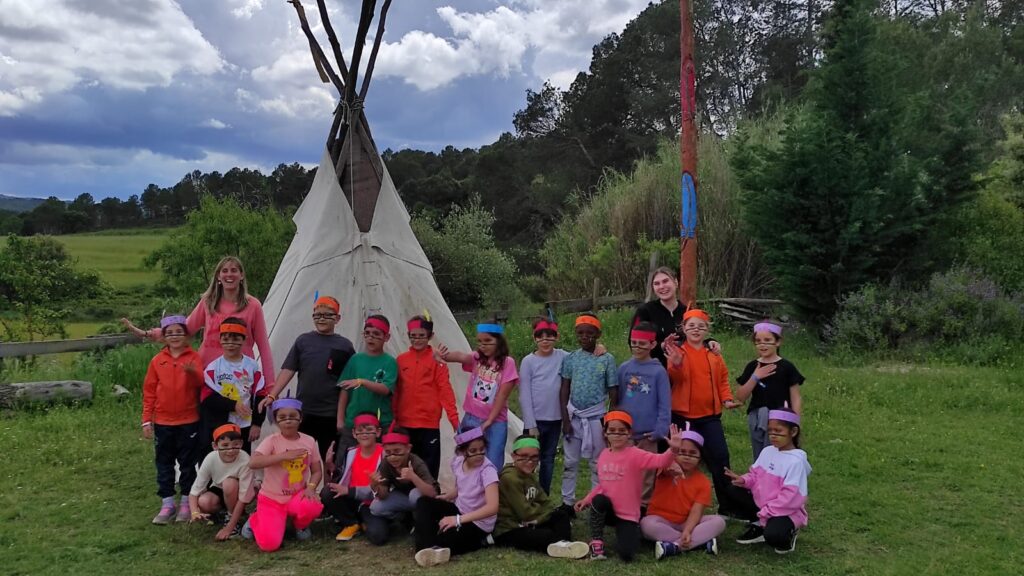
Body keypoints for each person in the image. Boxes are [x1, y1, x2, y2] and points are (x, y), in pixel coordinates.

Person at [122, 255, 275, 392]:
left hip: (240, 376)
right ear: (218, 276)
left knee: (239, 414)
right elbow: (185, 329)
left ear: (241, 275)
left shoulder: (253, 306)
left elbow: (264, 347)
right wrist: (149, 333)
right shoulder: (208, 302)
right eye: (225, 271)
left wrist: (270, 387)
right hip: (208, 374)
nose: (229, 274)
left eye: (234, 270)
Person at [665, 308, 745, 519]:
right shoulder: (678, 352)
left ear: (707, 330)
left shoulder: (713, 353)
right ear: (684, 329)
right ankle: (675, 505)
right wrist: (676, 365)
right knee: (681, 460)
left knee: (720, 458)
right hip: (682, 416)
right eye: (691, 326)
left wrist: (726, 399)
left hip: (710, 417)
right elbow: (675, 378)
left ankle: (727, 506)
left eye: (701, 326)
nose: (696, 330)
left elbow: (723, 379)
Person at [573, 412, 685, 562]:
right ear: (605, 433)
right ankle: (596, 542)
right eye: (612, 431)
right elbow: (603, 484)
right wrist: (587, 499)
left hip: (628, 515)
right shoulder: (604, 455)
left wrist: (673, 450)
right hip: (609, 511)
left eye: (621, 431)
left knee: (626, 555)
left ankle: (634, 530)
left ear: (629, 433)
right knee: (599, 501)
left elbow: (661, 461)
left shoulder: (635, 454)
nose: (617, 435)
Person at [259, 295, 354, 464]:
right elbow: (288, 369)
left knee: (328, 458)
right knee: (300, 456)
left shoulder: (344, 345)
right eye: (317, 315)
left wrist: (343, 416)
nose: (322, 319)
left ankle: (325, 482)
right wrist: (272, 395)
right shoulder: (303, 341)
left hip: (330, 413)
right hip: (304, 411)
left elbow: (348, 382)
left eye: (327, 315)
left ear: (337, 318)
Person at [141, 314, 203, 525]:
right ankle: (167, 503)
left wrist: (192, 373)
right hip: (163, 421)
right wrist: (146, 419)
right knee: (164, 462)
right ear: (164, 337)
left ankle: (186, 501)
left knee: (188, 462)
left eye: (179, 332)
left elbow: (201, 383)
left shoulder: (194, 357)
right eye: (170, 333)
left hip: (189, 419)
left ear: (186, 335)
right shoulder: (157, 361)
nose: (175, 336)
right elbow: (149, 391)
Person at [242, 398, 324, 552]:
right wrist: (283, 456)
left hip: (297, 495)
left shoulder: (309, 441)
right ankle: (255, 519)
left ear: (300, 418)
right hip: (271, 499)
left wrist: (311, 487)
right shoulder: (271, 440)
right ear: (276, 421)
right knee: (270, 545)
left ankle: (299, 526)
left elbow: (317, 470)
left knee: (312, 505)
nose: (288, 420)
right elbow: (253, 463)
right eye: (282, 417)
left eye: (293, 416)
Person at [726, 406, 810, 555]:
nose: (773, 435)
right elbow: (755, 475)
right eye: (770, 431)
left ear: (793, 432)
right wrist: (743, 480)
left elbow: (789, 497)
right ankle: (759, 525)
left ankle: (789, 531)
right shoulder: (767, 451)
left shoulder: (796, 462)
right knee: (733, 489)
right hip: (764, 506)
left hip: (784, 510)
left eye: (778, 431)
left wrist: (767, 512)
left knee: (774, 536)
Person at [412, 427, 499, 567]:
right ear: (463, 451)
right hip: (460, 510)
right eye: (473, 451)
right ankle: (426, 549)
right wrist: (447, 496)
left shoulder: (488, 471)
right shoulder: (458, 462)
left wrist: (457, 520)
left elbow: (492, 507)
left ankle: (478, 541)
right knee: (424, 502)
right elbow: (462, 487)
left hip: (478, 523)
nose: (479, 454)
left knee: (444, 537)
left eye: (482, 449)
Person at [437, 323, 519, 468]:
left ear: (499, 341)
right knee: (466, 457)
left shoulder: (507, 363)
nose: (483, 345)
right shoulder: (478, 358)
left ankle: (490, 483)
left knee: (492, 461)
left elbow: (502, 395)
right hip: (472, 418)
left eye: (487, 341)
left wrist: (489, 421)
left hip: (495, 421)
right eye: (480, 342)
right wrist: (444, 355)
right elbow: (461, 356)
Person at [495, 435, 589, 559]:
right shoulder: (510, 478)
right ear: (514, 456)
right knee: (547, 534)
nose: (529, 461)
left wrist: (543, 515)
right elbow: (525, 513)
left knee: (561, 516)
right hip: (510, 528)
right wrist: (543, 515)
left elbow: (545, 502)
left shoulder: (529, 475)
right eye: (524, 456)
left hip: (531, 522)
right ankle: (562, 544)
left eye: (534, 457)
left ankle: (561, 545)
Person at [559, 313, 617, 512]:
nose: (585, 337)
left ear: (598, 334)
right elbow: (564, 388)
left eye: (589, 333)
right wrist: (566, 419)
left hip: (596, 417)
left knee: (597, 462)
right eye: (580, 333)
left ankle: (595, 502)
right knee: (570, 461)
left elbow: (613, 390)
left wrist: (610, 421)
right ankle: (567, 502)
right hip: (574, 416)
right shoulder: (571, 358)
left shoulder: (607, 360)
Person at [641, 425, 726, 559]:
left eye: (692, 453)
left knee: (718, 522)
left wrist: (687, 530)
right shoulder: (666, 467)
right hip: (661, 520)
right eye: (682, 452)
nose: (687, 457)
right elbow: (666, 468)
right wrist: (670, 465)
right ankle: (698, 542)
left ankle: (674, 546)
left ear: (700, 458)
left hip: (687, 522)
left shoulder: (703, 482)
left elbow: (696, 511)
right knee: (647, 524)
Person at [393, 313, 460, 479]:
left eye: (421, 336)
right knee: (405, 467)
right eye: (413, 336)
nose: (417, 340)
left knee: (429, 470)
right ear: (408, 335)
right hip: (405, 423)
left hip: (429, 424)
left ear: (430, 336)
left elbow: (445, 390)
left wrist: (454, 420)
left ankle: (431, 494)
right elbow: (396, 391)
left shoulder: (437, 360)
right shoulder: (401, 360)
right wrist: (394, 418)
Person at [615, 321, 671, 505]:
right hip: (626, 434)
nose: (637, 347)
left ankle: (643, 506)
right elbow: (616, 399)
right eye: (634, 343)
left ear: (652, 344)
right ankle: (623, 505)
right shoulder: (624, 368)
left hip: (648, 435)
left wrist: (660, 430)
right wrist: (615, 426)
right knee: (624, 470)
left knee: (646, 473)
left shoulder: (659, 372)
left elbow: (665, 404)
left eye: (642, 343)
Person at [734, 321, 805, 459]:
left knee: (779, 454)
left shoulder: (787, 367)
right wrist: (755, 377)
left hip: (781, 417)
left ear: (777, 342)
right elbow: (741, 396)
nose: (762, 344)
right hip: (757, 417)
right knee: (760, 455)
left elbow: (795, 397)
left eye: (767, 340)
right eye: (758, 341)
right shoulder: (752, 366)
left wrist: (795, 420)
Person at [517, 317, 567, 494]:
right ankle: (525, 492)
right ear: (534, 338)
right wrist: (530, 424)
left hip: (555, 419)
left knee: (548, 459)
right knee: (528, 458)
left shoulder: (563, 356)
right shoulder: (528, 361)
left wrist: (600, 348)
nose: (545, 340)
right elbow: (524, 394)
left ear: (556, 337)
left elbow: (582, 357)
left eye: (549, 336)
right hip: (535, 421)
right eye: (540, 336)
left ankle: (543, 494)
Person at [202, 317, 266, 454]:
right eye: (226, 339)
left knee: (243, 460)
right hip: (220, 425)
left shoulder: (253, 366)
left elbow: (260, 395)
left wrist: (257, 423)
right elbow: (206, 398)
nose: (230, 344)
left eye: (236, 339)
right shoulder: (213, 368)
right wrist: (233, 405)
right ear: (220, 339)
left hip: (245, 425)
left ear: (244, 340)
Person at [365, 426, 438, 545]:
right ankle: (404, 518)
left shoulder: (416, 462)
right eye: (388, 452)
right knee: (375, 507)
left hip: (424, 499)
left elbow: (432, 493)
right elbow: (383, 495)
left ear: (408, 448)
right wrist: (375, 486)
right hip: (404, 498)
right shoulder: (386, 463)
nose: (393, 457)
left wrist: (413, 477)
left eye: (397, 451)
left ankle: (422, 524)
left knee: (414, 495)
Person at [336, 315, 398, 452]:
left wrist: (362, 382)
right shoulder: (355, 359)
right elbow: (344, 390)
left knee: (379, 460)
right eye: (367, 333)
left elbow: (386, 389)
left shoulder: (390, 362)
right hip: (353, 422)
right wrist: (340, 419)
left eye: (376, 334)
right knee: (347, 459)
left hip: (380, 424)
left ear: (386, 337)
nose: (371, 337)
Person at [321, 413, 383, 542]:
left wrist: (349, 491)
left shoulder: (385, 454)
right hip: (351, 498)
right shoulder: (350, 452)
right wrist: (330, 465)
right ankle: (351, 523)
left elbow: (383, 487)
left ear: (378, 432)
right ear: (354, 433)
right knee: (327, 491)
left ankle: (363, 521)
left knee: (378, 536)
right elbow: (340, 475)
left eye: (369, 430)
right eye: (360, 431)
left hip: (373, 502)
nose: (364, 434)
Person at [188, 424, 255, 541]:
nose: (230, 450)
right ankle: (223, 513)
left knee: (229, 483)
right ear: (215, 446)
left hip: (239, 492)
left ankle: (232, 520)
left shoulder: (245, 460)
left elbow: (244, 498)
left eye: (235, 445)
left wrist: (229, 528)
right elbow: (194, 491)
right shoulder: (210, 458)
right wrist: (194, 512)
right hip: (219, 489)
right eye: (225, 445)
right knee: (204, 501)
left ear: (241, 444)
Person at [629, 267, 685, 366]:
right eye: (656, 284)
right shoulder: (645, 311)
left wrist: (709, 342)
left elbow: (697, 339)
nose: (661, 286)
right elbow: (633, 342)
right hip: (654, 368)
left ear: (676, 282)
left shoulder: (687, 311)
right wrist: (662, 346)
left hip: (683, 368)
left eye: (665, 281)